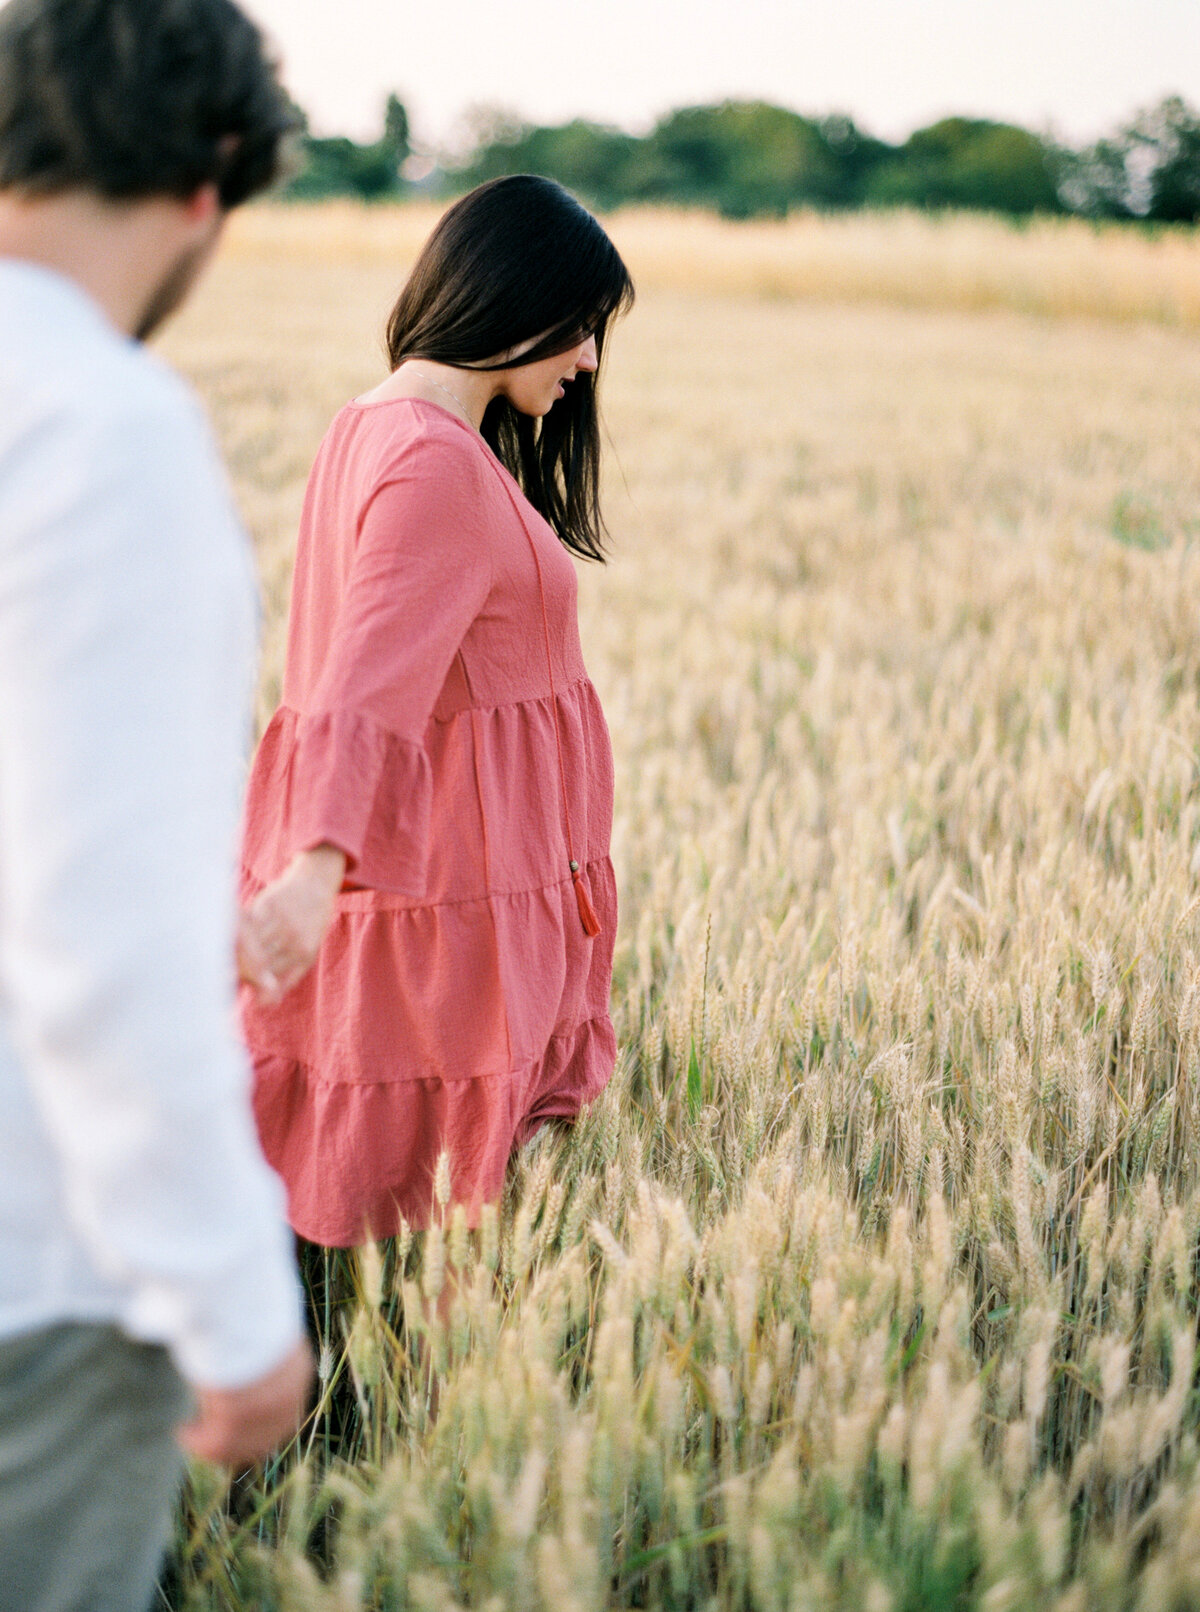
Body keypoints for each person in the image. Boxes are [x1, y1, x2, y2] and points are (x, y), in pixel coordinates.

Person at [0, 2, 312, 1607]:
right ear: (211, 178)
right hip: (34, 1275)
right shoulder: (98, 429)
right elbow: (97, 940)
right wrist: (231, 1300)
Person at [238, 175, 635, 1246]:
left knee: (402, 1223)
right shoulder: (434, 460)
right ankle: (392, 1405)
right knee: (429, 1234)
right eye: (582, 326)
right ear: (517, 296)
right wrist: (319, 865)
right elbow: (369, 682)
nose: (589, 360)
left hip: (455, 878)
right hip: (451, 893)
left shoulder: (371, 426)